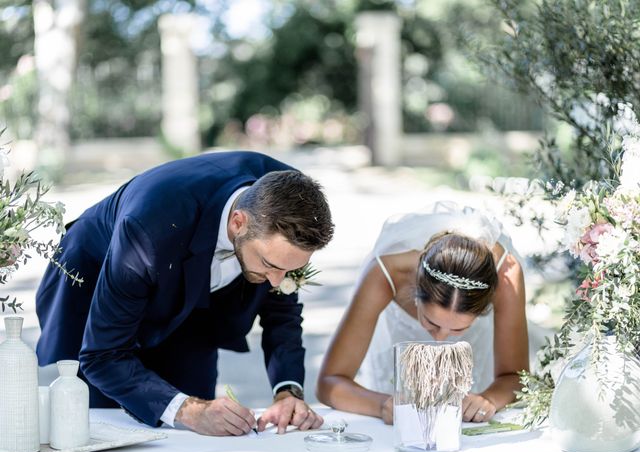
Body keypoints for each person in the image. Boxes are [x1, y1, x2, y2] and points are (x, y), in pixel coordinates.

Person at [36, 150, 334, 436]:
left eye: (288, 270)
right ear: (238, 222)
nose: (276, 282)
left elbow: (281, 313)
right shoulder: (149, 226)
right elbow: (102, 355)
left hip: (197, 301)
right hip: (103, 279)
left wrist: (287, 392)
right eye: (270, 265)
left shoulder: (292, 205)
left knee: (202, 421)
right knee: (111, 427)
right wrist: (188, 411)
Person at [316, 201, 529, 424]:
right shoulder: (387, 272)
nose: (440, 339)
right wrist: (383, 405)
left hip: (475, 379)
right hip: (397, 381)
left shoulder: (506, 275)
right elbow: (329, 382)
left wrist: (488, 399)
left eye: (459, 328)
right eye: (431, 322)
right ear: (415, 288)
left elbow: (515, 377)